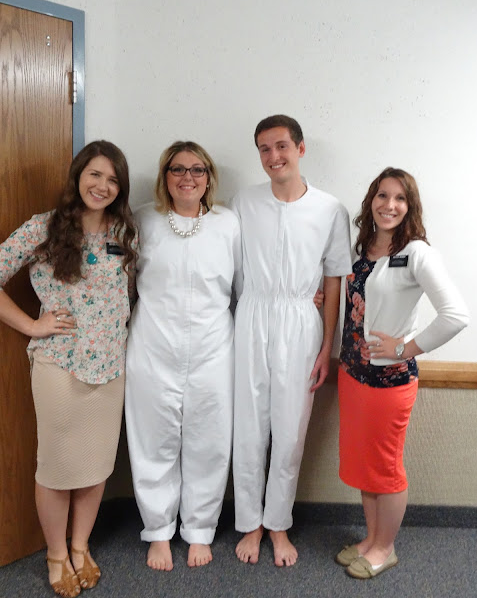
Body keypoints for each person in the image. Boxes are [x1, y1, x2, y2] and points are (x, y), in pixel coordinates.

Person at [0, 141, 137, 597]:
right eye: (95, 174)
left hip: (111, 366)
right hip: (60, 364)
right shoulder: (44, 228)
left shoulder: (125, 232)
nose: (102, 186)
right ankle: (56, 554)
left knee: (96, 465)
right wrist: (31, 325)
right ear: (78, 175)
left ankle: (80, 546)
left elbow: (131, 292)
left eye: (112, 179)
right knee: (57, 467)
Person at [335, 167, 469, 579]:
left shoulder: (417, 253)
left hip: (388, 382)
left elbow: (456, 315)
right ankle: (371, 539)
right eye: (382, 195)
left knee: (385, 468)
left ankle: (386, 548)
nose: (389, 205)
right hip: (352, 374)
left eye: (399, 198)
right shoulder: (362, 247)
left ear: (410, 206)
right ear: (371, 200)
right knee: (365, 464)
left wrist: (405, 348)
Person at [231, 115, 351, 567]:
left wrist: (327, 347)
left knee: (290, 430)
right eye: (264, 148)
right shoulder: (244, 202)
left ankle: (278, 523)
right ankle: (251, 523)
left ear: (300, 149)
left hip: (301, 321)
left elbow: (334, 280)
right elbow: (231, 267)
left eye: (281, 145)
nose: (273, 156)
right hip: (252, 314)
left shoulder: (329, 209)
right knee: (248, 428)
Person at [125, 141, 242, 571]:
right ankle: (158, 530)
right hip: (153, 345)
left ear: (209, 177)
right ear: (165, 176)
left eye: (197, 169)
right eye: (177, 169)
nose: (187, 177)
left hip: (214, 348)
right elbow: (122, 281)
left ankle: (199, 529)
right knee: (152, 438)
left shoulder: (228, 223)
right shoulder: (143, 220)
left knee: (209, 440)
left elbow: (244, 286)